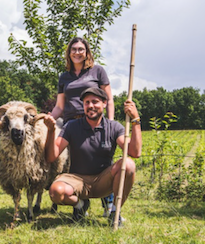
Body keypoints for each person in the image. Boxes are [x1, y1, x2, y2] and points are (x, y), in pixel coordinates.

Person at [44, 87, 142, 226]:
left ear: (104, 103)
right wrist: (51, 131)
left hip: (103, 180)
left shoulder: (113, 127)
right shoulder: (71, 126)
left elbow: (134, 152)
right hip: (77, 179)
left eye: (95, 102)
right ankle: (80, 206)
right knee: (56, 192)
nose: (90, 106)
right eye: (87, 102)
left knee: (129, 164)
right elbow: (51, 156)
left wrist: (135, 120)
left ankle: (114, 212)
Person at [50, 37, 115, 216]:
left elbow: (108, 100)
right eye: (73, 49)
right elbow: (59, 107)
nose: (77, 52)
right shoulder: (64, 77)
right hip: (72, 124)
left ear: (87, 52)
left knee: (102, 159)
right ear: (68, 53)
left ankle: (108, 205)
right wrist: (47, 119)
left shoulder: (98, 71)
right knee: (73, 164)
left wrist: (109, 123)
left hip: (96, 121)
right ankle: (80, 204)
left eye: (80, 49)